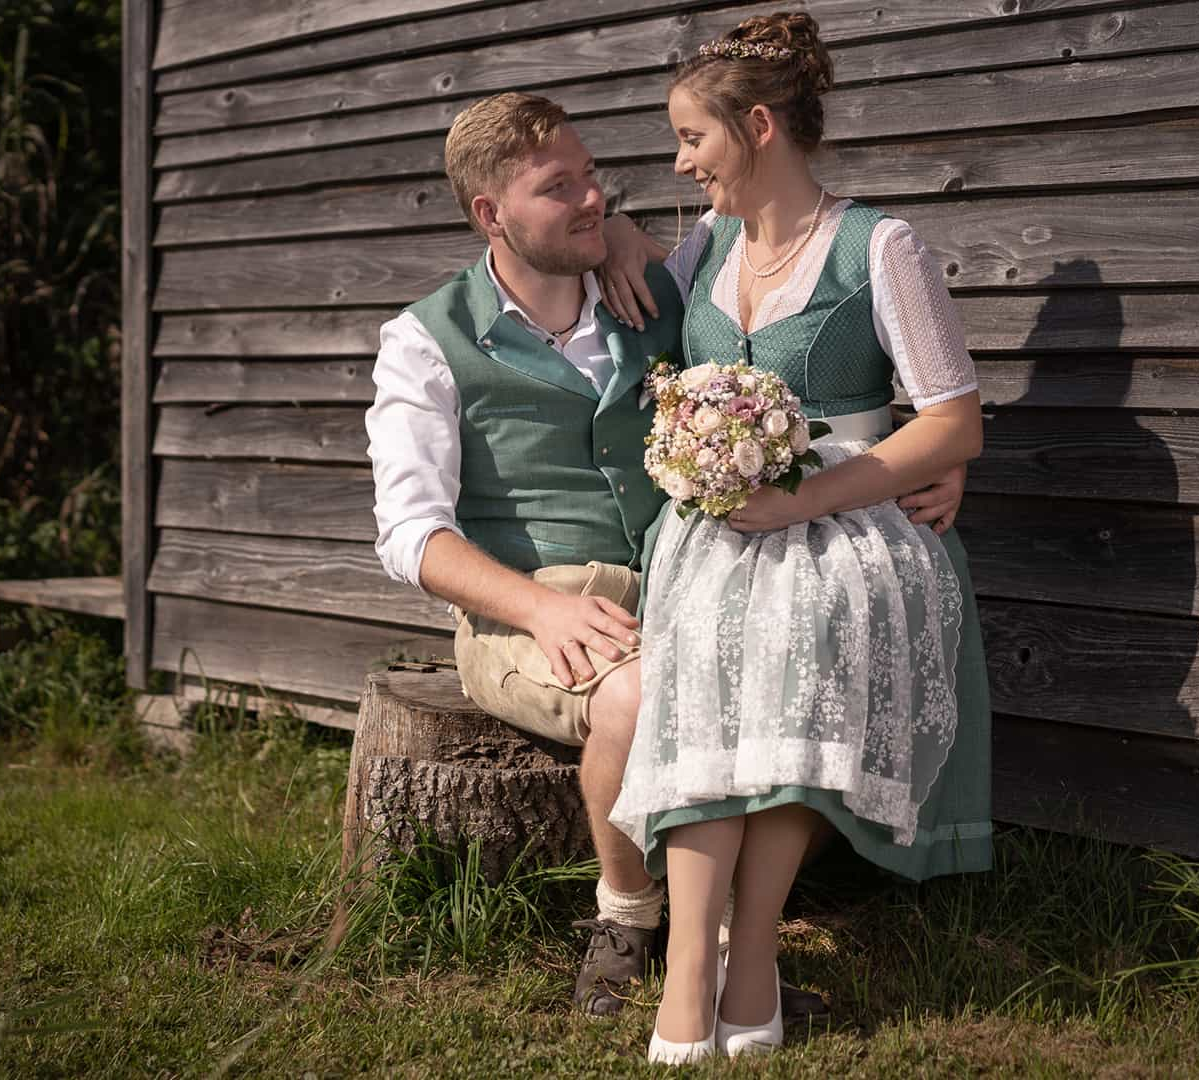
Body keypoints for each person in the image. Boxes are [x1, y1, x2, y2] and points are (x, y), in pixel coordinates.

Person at [365, 90, 967, 1021]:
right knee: (650, 693)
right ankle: (627, 917)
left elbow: (811, 366)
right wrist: (537, 607)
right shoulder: (425, 340)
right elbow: (410, 533)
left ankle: (731, 944)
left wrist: (927, 465)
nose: (593, 198)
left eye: (593, 175)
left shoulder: (655, 292)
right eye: (558, 187)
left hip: (684, 575)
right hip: (535, 606)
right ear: (491, 214)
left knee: (793, 666)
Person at [595, 13, 996, 1064]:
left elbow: (954, 420)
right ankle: (695, 969)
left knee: (784, 649)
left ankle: (753, 956)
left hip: (850, 531)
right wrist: (634, 237)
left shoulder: (880, 246)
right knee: (705, 674)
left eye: (693, 139)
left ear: (760, 126)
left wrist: (808, 500)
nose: (682, 161)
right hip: (721, 532)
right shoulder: (708, 242)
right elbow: (620, 275)